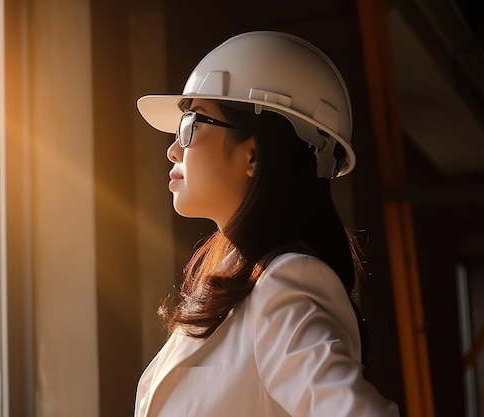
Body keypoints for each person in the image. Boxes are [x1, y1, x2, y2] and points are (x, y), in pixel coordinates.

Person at [134, 31, 399, 417]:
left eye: (190, 123)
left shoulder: (285, 283)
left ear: (254, 154)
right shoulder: (235, 284)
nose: (173, 148)